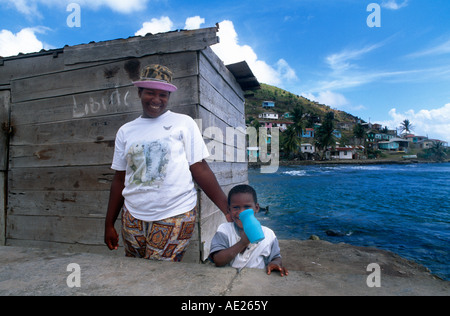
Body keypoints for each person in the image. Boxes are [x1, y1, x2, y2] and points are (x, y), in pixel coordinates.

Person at [104, 64, 230, 261]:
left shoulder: (184, 123)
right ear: (139, 93)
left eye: (163, 95)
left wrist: (227, 210)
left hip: (175, 213)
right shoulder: (126, 131)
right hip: (133, 216)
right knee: (134, 271)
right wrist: (109, 224)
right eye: (150, 93)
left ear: (169, 97)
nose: (156, 100)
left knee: (160, 276)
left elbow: (200, 169)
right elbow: (120, 179)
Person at [209, 184, 288, 276]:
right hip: (227, 281)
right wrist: (243, 242)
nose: (242, 212)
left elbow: (276, 257)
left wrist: (275, 263)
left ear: (256, 208)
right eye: (236, 207)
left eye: (247, 207)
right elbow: (218, 260)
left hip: (255, 283)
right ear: (229, 210)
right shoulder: (224, 230)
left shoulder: (269, 234)